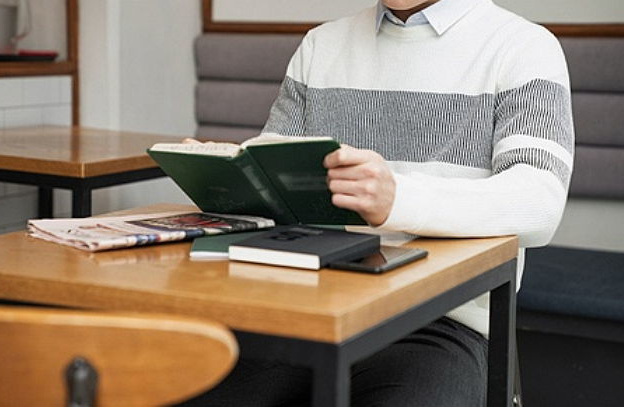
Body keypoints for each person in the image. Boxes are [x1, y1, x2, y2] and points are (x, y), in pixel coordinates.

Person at [183, 0, 573, 405]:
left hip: (443, 322)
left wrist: (398, 199)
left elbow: (540, 200)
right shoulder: (320, 45)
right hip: (310, 312)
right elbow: (276, 183)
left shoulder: (523, 47)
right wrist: (224, 177)